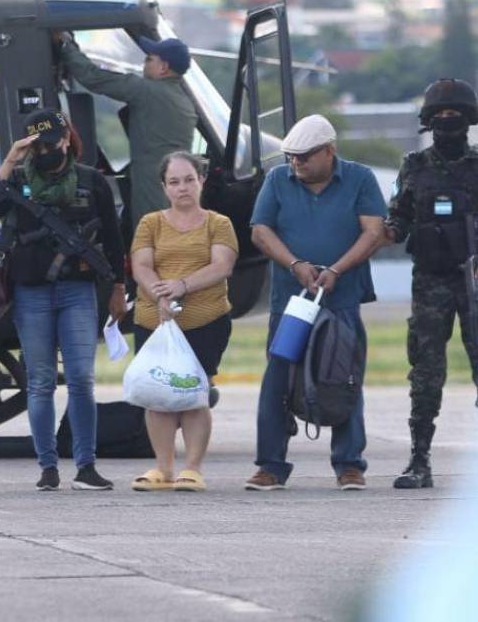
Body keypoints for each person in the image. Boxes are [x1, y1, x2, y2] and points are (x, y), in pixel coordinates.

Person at [0, 109, 126, 491]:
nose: (46, 150)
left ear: (67, 140)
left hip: (78, 290)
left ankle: (86, 465)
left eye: (53, 142)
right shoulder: (19, 180)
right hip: (31, 293)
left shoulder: (92, 182)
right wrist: (10, 160)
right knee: (41, 382)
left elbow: (113, 238)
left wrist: (119, 288)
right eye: (37, 145)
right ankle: (47, 467)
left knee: (81, 380)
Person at [246, 114, 386, 491]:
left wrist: (337, 269)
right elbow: (260, 231)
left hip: (341, 300)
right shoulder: (277, 179)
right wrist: (294, 264)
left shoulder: (359, 178)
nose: (297, 163)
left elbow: (374, 231)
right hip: (292, 304)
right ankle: (271, 465)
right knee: (278, 377)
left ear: (329, 151)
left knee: (344, 376)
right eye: (291, 156)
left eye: (305, 156)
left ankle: (349, 464)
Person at [384, 79, 478, 489]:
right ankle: (419, 460)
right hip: (430, 283)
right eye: (440, 115)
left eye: (454, 114)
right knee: (425, 374)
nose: (447, 121)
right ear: (428, 122)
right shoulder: (414, 167)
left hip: (473, 281)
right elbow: (398, 220)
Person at [128, 152, 238, 492]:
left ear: (201, 181)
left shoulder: (218, 223)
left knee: (193, 393)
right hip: (154, 321)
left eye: (189, 179)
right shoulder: (150, 223)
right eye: (174, 182)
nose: (183, 188)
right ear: (164, 187)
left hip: (205, 321)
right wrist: (160, 295)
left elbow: (222, 265)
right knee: (157, 395)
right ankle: (164, 469)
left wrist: (182, 286)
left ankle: (192, 468)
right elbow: (141, 265)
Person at [57, 32, 197, 230]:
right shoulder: (183, 100)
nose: (144, 64)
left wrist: (65, 45)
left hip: (152, 193)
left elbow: (94, 78)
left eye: (149, 59)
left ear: (163, 68)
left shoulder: (147, 91)